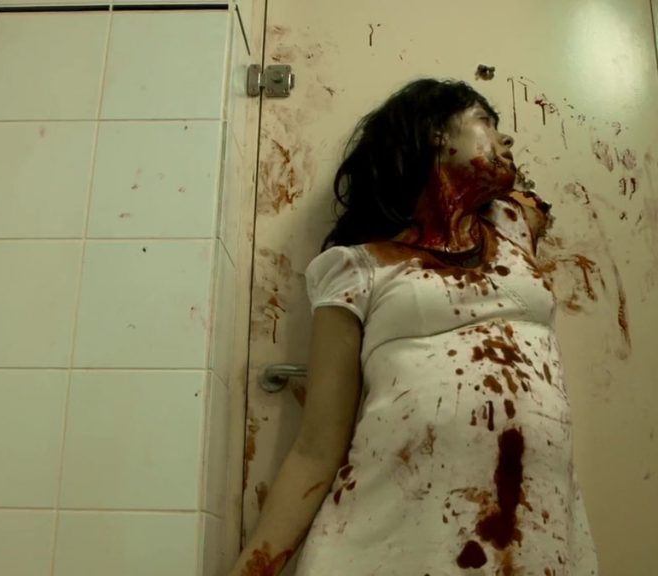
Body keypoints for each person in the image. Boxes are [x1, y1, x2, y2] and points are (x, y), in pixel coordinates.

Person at [229, 78, 598, 576]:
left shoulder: (515, 228)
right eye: (486, 123)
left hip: (534, 534)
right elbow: (316, 446)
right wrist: (252, 570)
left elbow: (522, 197)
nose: (507, 139)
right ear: (434, 134)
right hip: (393, 538)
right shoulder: (357, 267)